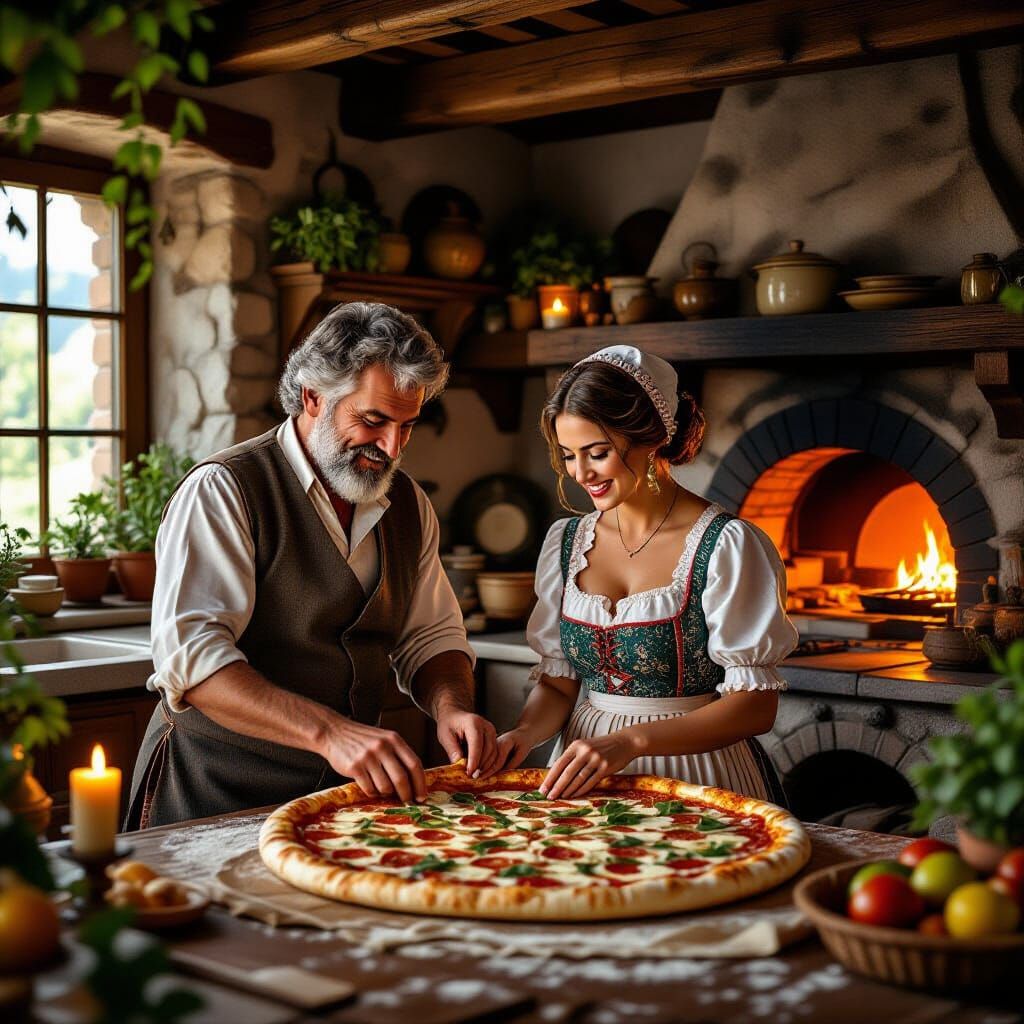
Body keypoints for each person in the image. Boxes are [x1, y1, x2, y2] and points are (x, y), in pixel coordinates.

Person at [128, 302, 497, 828]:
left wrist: (451, 707)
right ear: (314, 397)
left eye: (407, 426)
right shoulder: (224, 489)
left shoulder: (409, 505)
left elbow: (432, 637)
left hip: (337, 804)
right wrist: (330, 733)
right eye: (373, 420)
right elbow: (196, 664)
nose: (392, 446)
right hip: (211, 791)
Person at [492, 345, 798, 801]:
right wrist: (521, 735)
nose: (581, 473)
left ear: (652, 438)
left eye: (597, 452)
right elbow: (558, 684)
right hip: (582, 770)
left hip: (696, 774)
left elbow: (755, 707)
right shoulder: (566, 542)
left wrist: (631, 741)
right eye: (569, 454)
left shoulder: (728, 545)